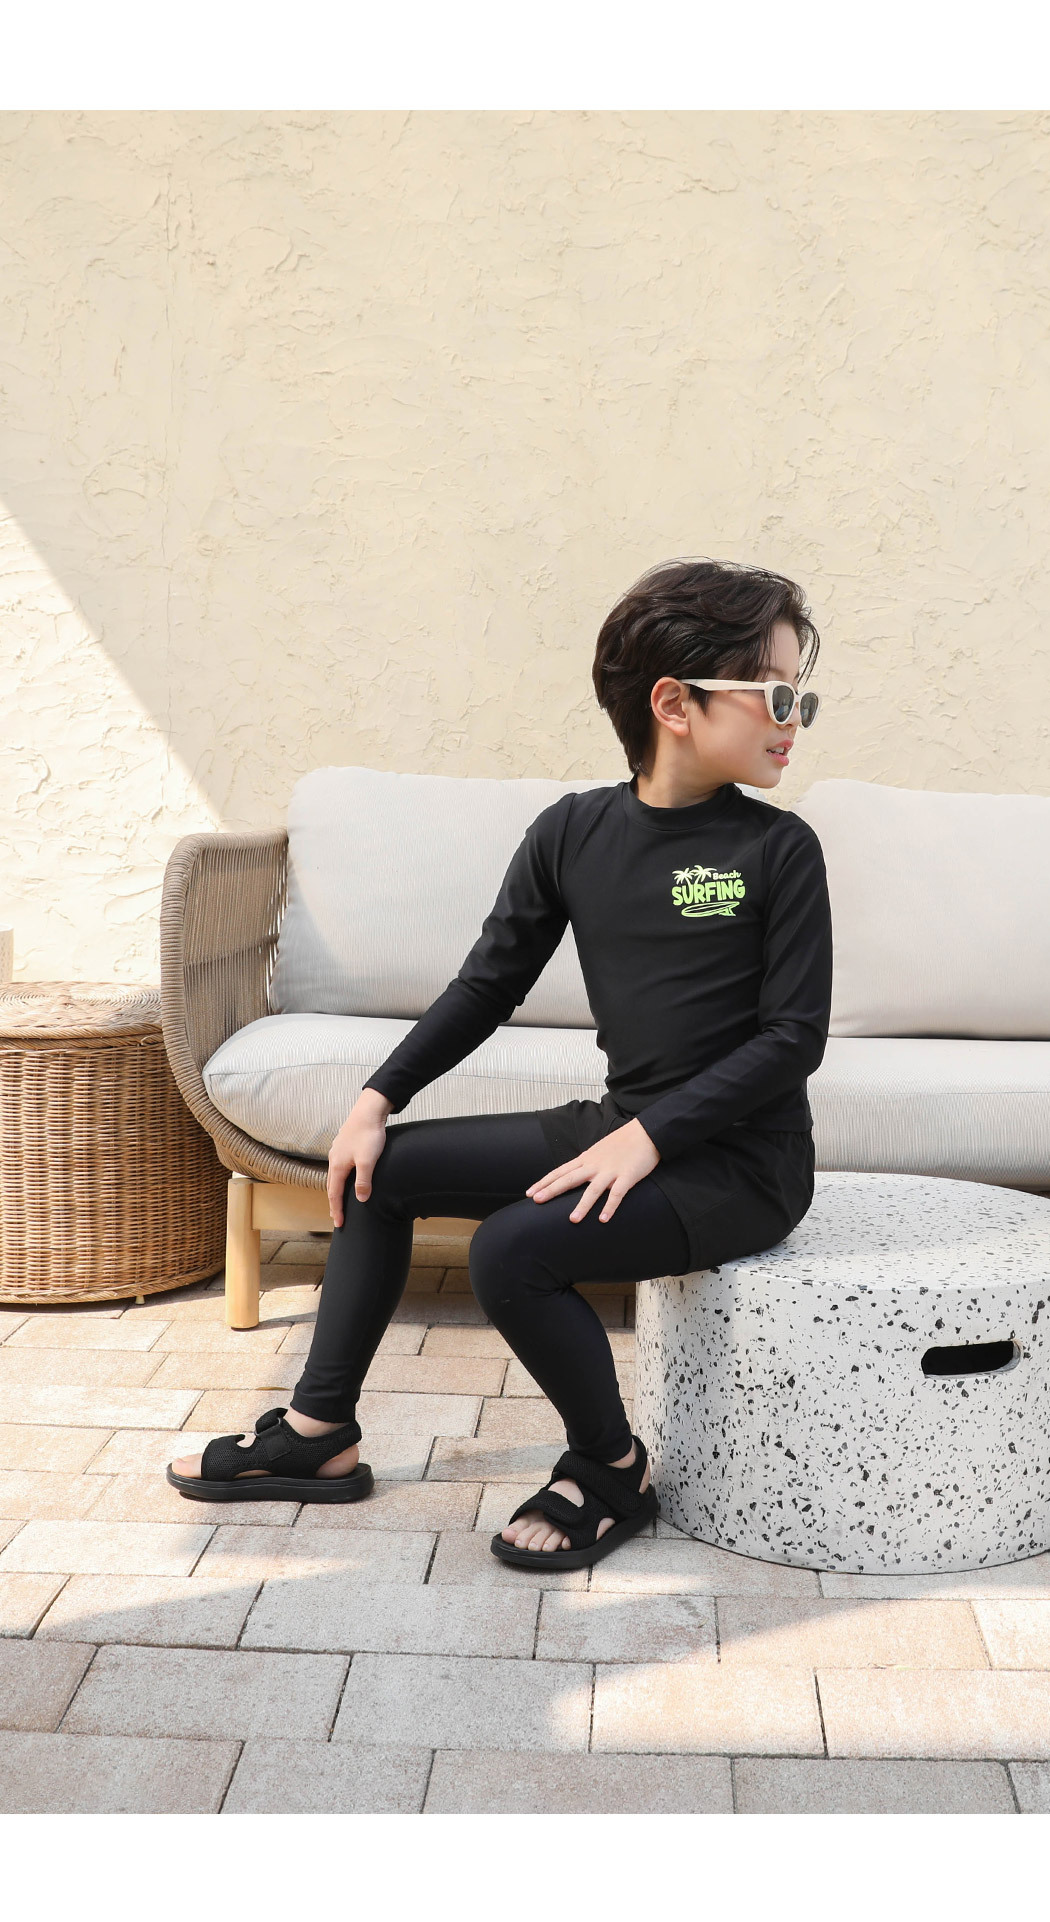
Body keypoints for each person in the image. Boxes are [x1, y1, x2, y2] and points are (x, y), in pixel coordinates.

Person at [168, 555, 833, 1570]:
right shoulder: (573, 832)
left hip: (742, 1165)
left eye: (802, 698)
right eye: (776, 694)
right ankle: (317, 1430)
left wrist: (650, 1140)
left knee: (513, 1252)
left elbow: (792, 1039)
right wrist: (377, 1096)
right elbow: (487, 984)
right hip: (625, 1127)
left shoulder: (780, 851)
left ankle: (611, 1468)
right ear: (675, 704)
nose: (795, 720)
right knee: (380, 1171)